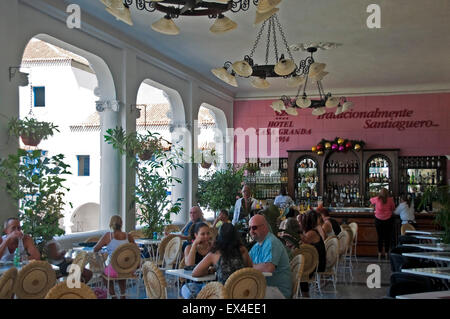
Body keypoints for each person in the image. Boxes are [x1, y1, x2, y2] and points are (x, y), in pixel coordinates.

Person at [248, 214, 292, 299]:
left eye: (254, 228)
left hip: (278, 290)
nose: (251, 231)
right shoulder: (257, 246)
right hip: (264, 287)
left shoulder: (271, 242)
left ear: (264, 227)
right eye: (249, 228)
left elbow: (268, 268)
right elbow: (246, 261)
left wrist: (250, 266)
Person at [93, 215, 136, 299]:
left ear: (111, 224)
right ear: (121, 224)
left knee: (104, 274)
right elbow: (135, 250)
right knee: (121, 267)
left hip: (114, 270)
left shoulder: (108, 236)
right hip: (128, 269)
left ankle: (113, 296)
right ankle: (123, 295)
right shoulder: (128, 236)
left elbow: (95, 249)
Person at [298, 210, 326, 297]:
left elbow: (299, 247)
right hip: (317, 262)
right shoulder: (312, 232)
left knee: (300, 271)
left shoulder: (311, 233)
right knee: (301, 268)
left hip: (317, 264)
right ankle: (301, 293)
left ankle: (303, 294)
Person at [181, 222, 211, 299]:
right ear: (196, 235)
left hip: (209, 282)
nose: (206, 236)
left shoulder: (213, 247)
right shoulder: (188, 248)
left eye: (208, 233)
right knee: (192, 295)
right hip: (191, 283)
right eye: (202, 234)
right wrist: (194, 245)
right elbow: (189, 264)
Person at [370, 188, 395, 260]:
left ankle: (379, 254)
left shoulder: (377, 199)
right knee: (387, 237)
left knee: (380, 237)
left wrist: (374, 206)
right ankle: (387, 253)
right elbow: (393, 208)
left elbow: (371, 200)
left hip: (378, 220)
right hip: (388, 220)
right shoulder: (390, 199)